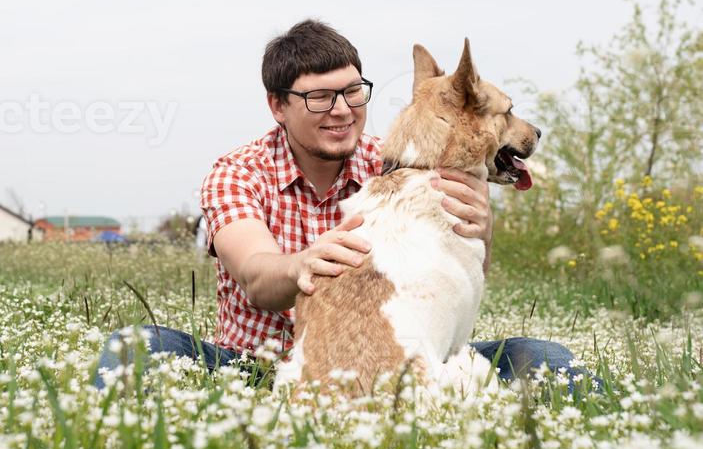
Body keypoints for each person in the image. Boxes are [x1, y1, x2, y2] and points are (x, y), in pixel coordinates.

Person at [94, 19, 595, 392]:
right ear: (277, 105)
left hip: (393, 358)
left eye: (353, 92)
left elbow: (464, 274)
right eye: (319, 98)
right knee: (137, 345)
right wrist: (302, 265)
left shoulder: (402, 160)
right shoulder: (237, 172)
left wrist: (483, 229)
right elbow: (255, 276)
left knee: (545, 356)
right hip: (259, 365)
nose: (342, 111)